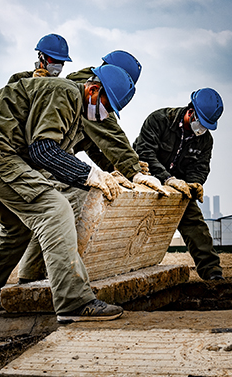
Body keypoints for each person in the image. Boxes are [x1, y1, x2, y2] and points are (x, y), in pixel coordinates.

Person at [0, 63, 137, 323]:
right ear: (92, 89)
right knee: (55, 210)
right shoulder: (66, 93)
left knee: (17, 225)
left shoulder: (72, 108)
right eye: (105, 104)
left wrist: (105, 174)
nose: (104, 114)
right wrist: (91, 175)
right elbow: (43, 151)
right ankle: (74, 302)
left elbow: (56, 157)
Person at [10, 49, 165, 284]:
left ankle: (29, 277)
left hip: (46, 155)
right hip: (43, 156)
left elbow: (93, 143)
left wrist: (114, 170)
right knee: (65, 203)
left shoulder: (87, 89)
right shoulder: (92, 90)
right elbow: (111, 135)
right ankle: (39, 280)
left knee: (45, 211)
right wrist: (135, 172)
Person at [133, 88, 225, 281]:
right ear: (190, 112)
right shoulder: (159, 120)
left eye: (207, 126)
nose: (202, 129)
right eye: (201, 123)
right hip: (146, 179)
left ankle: (212, 272)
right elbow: (144, 153)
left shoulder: (205, 140)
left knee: (194, 222)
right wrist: (167, 179)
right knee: (133, 223)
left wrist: (194, 184)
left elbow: (200, 167)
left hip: (178, 187)